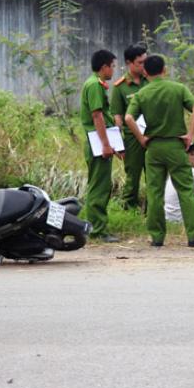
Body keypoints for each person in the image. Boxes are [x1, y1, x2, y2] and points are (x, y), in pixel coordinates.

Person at [125, 55, 194, 248]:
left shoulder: (142, 94)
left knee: (155, 192)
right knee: (186, 190)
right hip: (176, 146)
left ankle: (157, 237)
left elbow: (129, 118)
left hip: (154, 148)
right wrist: (190, 134)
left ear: (145, 72)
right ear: (165, 70)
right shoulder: (178, 88)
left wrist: (142, 139)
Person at [79, 49, 122, 243]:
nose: (113, 70)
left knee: (100, 184)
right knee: (99, 186)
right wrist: (106, 145)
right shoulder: (95, 86)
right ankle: (97, 229)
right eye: (112, 66)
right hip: (97, 143)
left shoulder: (93, 84)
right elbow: (97, 116)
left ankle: (97, 226)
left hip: (98, 141)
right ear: (104, 66)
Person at [110, 44, 149, 209]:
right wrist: (118, 143)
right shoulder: (120, 87)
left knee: (155, 174)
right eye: (140, 62)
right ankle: (129, 208)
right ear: (129, 63)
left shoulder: (151, 80)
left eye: (145, 61)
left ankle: (153, 208)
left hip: (153, 134)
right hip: (133, 137)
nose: (143, 65)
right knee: (133, 175)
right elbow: (117, 116)